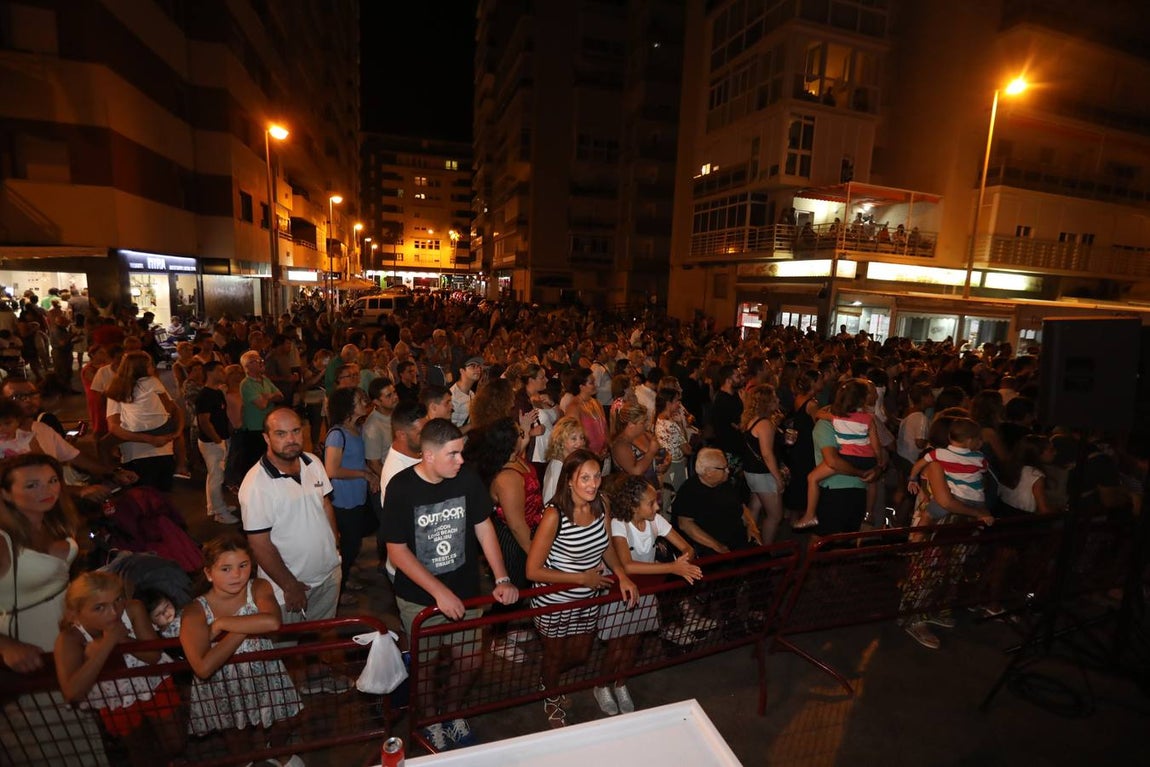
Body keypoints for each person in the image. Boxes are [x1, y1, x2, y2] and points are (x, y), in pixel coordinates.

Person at [382, 418, 520, 751]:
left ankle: (453, 711)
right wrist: (438, 592)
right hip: (418, 598)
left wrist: (501, 577)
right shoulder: (401, 488)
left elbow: (484, 528)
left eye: (461, 453)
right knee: (426, 665)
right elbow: (396, 552)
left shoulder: (467, 479)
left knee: (470, 660)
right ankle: (429, 719)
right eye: (453, 454)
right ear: (428, 456)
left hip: (467, 590)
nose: (461, 460)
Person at [0, 454, 110, 767]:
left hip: (68, 644)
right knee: (47, 744)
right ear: (5, 493)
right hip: (30, 657)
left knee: (81, 738)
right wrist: (6, 646)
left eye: (51, 481)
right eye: (31, 485)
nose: (46, 490)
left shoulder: (54, 521)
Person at [526, 449, 637, 729]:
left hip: (588, 597)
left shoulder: (602, 504)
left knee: (580, 653)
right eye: (584, 477)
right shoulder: (555, 515)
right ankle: (550, 696)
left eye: (596, 476)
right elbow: (532, 570)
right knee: (553, 655)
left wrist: (622, 574)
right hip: (553, 600)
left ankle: (546, 679)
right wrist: (580, 579)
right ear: (569, 480)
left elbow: (607, 547)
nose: (592, 483)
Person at [179, 535, 304, 767]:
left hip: (264, 673)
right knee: (236, 734)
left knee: (287, 718)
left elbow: (272, 622)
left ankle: (273, 752)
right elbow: (204, 667)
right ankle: (246, 762)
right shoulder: (195, 611)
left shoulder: (257, 587)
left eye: (243, 566)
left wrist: (222, 624)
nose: (236, 575)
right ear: (208, 573)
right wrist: (244, 626)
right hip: (223, 685)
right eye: (225, 568)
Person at [54, 572, 183, 767]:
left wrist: (122, 639)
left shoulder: (133, 609)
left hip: (152, 682)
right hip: (116, 697)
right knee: (140, 750)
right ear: (75, 612)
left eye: (118, 600)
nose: (114, 612)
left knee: (176, 742)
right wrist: (109, 642)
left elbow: (154, 655)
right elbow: (72, 692)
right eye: (99, 608)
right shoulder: (71, 638)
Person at [597, 475, 701, 715]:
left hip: (647, 591)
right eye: (652, 503)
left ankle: (621, 683)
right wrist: (673, 568)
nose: (657, 507)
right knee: (616, 646)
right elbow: (627, 565)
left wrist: (684, 559)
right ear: (634, 505)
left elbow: (687, 547)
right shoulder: (618, 524)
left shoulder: (656, 520)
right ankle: (601, 685)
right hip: (621, 592)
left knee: (633, 643)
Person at [240, 407, 341, 629]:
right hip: (289, 587)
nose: (291, 439)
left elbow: (325, 504)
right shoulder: (256, 485)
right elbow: (259, 544)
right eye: (281, 433)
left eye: (295, 431)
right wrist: (289, 585)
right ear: (266, 437)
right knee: (288, 646)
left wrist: (334, 546)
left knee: (321, 637)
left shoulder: (313, 462)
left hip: (328, 575)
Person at [465, 417, 543, 662]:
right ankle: (496, 637)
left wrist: (525, 435)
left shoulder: (514, 459)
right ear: (510, 442)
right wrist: (536, 554)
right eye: (520, 433)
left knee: (523, 588)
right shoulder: (507, 478)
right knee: (513, 587)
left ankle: (507, 629)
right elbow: (517, 525)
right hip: (512, 540)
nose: (525, 433)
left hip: (529, 532)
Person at [795, 379, 883, 530]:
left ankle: (809, 515)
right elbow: (878, 448)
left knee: (812, 477)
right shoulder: (869, 419)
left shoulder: (835, 419)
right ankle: (869, 515)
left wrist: (859, 473)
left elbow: (833, 461)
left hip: (840, 486)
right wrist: (877, 465)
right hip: (866, 466)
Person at [322, 387, 378, 605]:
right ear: (347, 407)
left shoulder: (358, 429)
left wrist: (370, 475)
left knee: (352, 544)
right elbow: (332, 470)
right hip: (343, 500)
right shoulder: (337, 435)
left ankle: (345, 579)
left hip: (357, 497)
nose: (364, 402)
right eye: (359, 400)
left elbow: (358, 460)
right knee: (348, 545)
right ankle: (337, 592)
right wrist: (364, 474)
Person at [105, 350, 187, 490]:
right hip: (161, 451)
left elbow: (113, 427)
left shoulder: (116, 390)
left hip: (137, 455)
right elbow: (173, 410)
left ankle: (107, 475)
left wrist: (147, 437)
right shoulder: (153, 382)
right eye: (150, 364)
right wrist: (173, 432)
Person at [672, 448, 762, 556]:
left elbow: (741, 506)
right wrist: (716, 545)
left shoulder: (725, 483)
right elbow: (685, 524)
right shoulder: (689, 491)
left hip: (736, 537)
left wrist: (751, 525)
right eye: (723, 468)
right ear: (708, 472)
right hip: (710, 543)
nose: (728, 471)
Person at [740, 384, 786, 544]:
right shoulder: (764, 423)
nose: (778, 400)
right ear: (767, 402)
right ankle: (766, 551)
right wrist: (778, 477)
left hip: (751, 472)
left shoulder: (751, 420)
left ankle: (747, 544)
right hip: (762, 474)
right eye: (774, 398)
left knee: (755, 508)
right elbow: (767, 454)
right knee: (775, 516)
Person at [196, 361, 238, 524]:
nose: (223, 373)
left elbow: (223, 415)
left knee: (213, 475)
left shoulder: (218, 392)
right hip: (212, 443)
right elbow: (204, 421)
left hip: (220, 439)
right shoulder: (204, 395)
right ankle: (220, 512)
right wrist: (217, 440)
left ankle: (213, 506)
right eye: (220, 370)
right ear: (210, 372)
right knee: (217, 477)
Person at [564, 371, 609, 465]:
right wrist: (591, 454)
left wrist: (606, 447)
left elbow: (605, 429)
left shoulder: (596, 403)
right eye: (591, 383)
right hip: (586, 459)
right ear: (581, 387)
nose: (595, 385)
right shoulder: (574, 407)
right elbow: (573, 436)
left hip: (603, 456)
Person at [541, 416, 586, 505]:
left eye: (582, 438)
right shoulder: (558, 467)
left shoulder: (569, 462)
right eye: (574, 439)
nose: (580, 443)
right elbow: (550, 499)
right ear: (560, 441)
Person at [450, 357, 483, 430]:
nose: (478, 370)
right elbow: (451, 433)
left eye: (479, 366)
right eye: (473, 366)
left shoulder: (471, 393)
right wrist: (472, 424)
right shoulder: (453, 396)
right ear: (462, 371)